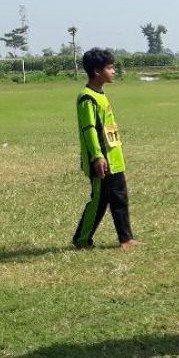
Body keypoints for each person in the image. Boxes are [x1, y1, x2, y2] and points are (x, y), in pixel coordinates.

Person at [72, 48, 140, 250]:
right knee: (99, 201)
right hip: (101, 161)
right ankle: (81, 238)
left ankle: (126, 239)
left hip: (115, 159)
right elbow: (89, 130)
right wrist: (97, 156)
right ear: (96, 71)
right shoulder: (87, 98)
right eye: (110, 68)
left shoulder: (101, 95)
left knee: (120, 198)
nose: (113, 71)